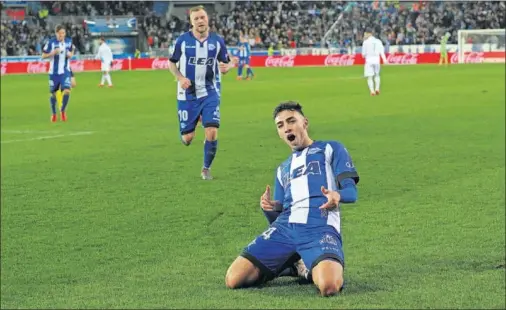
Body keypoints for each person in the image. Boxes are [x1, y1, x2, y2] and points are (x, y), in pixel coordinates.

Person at [225, 101, 360, 297]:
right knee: (234, 279)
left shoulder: (331, 148)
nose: (286, 127)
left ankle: (309, 264)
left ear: (304, 123)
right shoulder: (282, 169)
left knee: (329, 286)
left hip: (319, 228)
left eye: (291, 121)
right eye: (280, 125)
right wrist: (269, 207)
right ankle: (296, 264)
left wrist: (337, 195)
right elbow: (279, 214)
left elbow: (352, 192)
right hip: (284, 230)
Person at [168, 5, 234, 180]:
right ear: (191, 22)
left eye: (202, 17)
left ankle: (206, 169)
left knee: (212, 131)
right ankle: (193, 120)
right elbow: (171, 63)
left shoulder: (217, 41)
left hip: (209, 92)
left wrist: (228, 66)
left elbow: (228, 62)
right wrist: (180, 78)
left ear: (208, 19)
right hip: (187, 94)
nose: (200, 21)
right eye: (196, 18)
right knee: (187, 139)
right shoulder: (182, 41)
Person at [41, 24, 74, 122]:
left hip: (65, 71)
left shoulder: (68, 41)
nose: (61, 35)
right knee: (53, 94)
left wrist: (70, 54)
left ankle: (63, 111)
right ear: (56, 33)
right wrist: (53, 53)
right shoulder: (51, 42)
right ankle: (54, 114)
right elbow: (43, 56)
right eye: (59, 33)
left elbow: (72, 51)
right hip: (53, 72)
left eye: (63, 33)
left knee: (67, 90)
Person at [361, 28, 388, 96]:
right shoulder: (378, 41)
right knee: (377, 75)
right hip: (376, 60)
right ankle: (377, 89)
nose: (364, 35)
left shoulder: (365, 42)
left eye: (365, 33)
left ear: (369, 33)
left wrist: (364, 55)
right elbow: (381, 52)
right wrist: (384, 60)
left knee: (369, 77)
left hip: (369, 60)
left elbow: (363, 54)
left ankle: (372, 91)